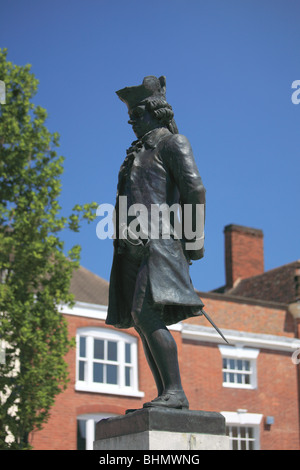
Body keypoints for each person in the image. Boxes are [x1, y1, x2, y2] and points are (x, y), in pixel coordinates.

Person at [106, 76, 206, 410]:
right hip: (130, 249)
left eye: (136, 114)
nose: (130, 121)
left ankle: (175, 393)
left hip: (159, 244)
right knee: (139, 318)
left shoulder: (172, 144)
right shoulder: (137, 151)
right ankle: (166, 394)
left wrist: (192, 244)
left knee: (144, 312)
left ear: (154, 112)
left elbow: (195, 191)